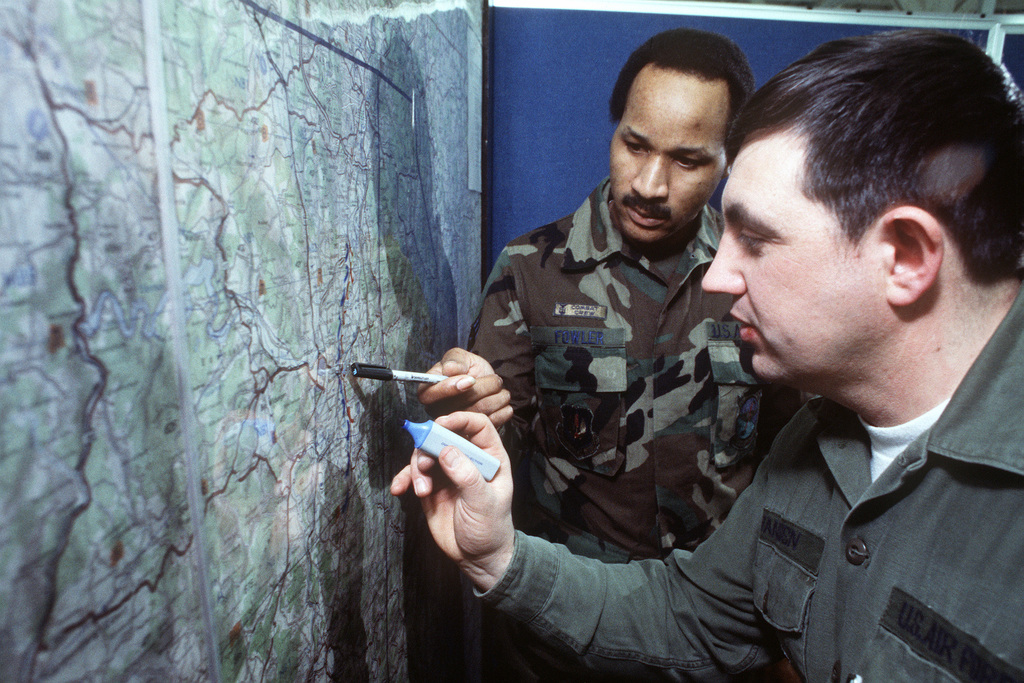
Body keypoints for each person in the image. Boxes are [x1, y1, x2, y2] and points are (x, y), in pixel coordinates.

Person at [393, 29, 1024, 681]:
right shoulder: (820, 444)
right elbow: (693, 613)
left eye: (756, 237)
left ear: (907, 256)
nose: (719, 276)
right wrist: (498, 544)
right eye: (634, 144)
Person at [420, 27, 799, 565]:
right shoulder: (531, 270)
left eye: (687, 161)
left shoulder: (759, 276)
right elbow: (495, 453)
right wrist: (471, 415)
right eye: (634, 145)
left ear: (729, 161)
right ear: (614, 131)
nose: (648, 184)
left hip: (720, 617)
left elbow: (794, 450)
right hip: (564, 623)